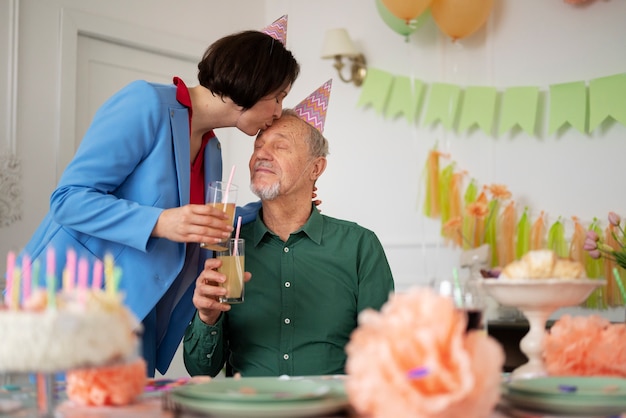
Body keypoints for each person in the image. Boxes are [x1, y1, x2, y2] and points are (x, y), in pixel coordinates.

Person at [15, 16, 300, 377]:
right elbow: (68, 199)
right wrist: (161, 222)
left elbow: (205, 224)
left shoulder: (212, 151)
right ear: (252, 83)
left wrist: (277, 202)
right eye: (277, 97)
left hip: (134, 328)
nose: (278, 112)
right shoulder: (145, 103)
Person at [183, 80, 395, 377]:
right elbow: (199, 368)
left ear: (316, 168)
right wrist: (208, 317)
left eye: (280, 146)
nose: (261, 155)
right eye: (258, 146)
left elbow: (383, 359)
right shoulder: (226, 245)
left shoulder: (359, 246)